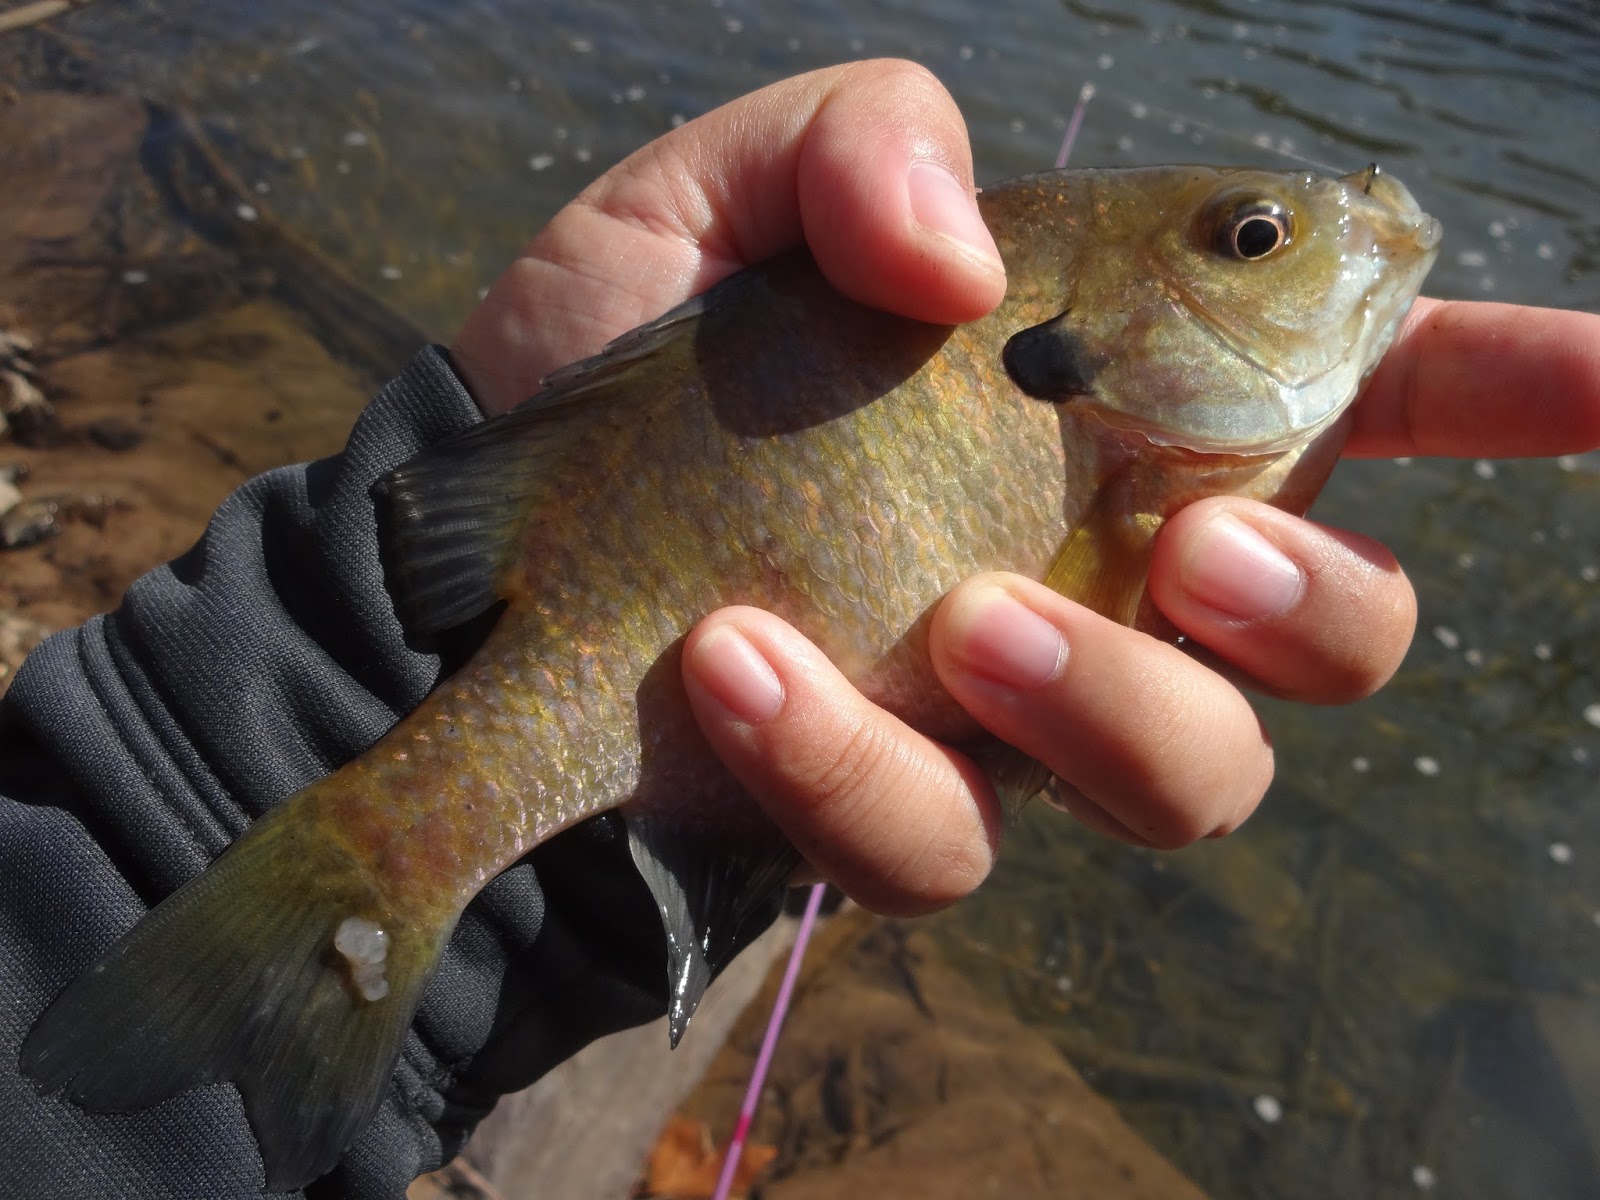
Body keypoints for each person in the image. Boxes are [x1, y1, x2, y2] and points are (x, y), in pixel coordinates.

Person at [0, 59, 1596, 1200]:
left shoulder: (1142, 450)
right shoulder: (1070, 379)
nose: (1331, 233)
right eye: (1253, 237)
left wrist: (311, 728)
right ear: (1092, 334)